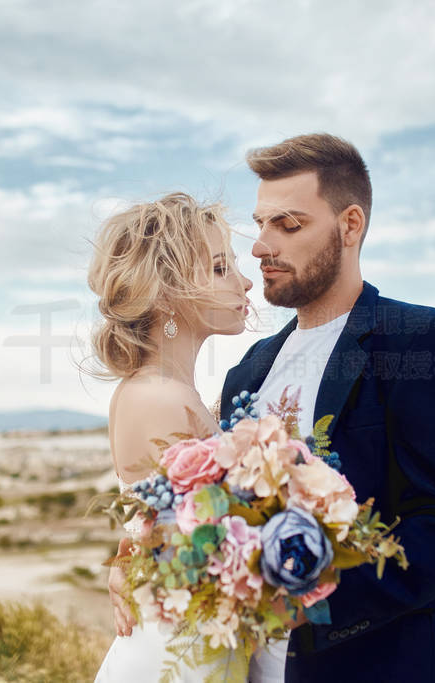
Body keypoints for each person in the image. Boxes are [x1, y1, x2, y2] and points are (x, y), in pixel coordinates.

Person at [220, 133, 435, 682]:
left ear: (350, 225)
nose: (260, 247)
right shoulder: (246, 372)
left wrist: (310, 606)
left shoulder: (421, 341)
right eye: (260, 223)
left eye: (287, 225)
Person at [88, 192, 289, 682]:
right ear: (166, 293)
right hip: (179, 653)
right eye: (221, 268)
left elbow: (150, 520)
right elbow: (201, 545)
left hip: (188, 638)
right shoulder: (160, 399)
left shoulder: (167, 391)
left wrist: (128, 556)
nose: (244, 282)